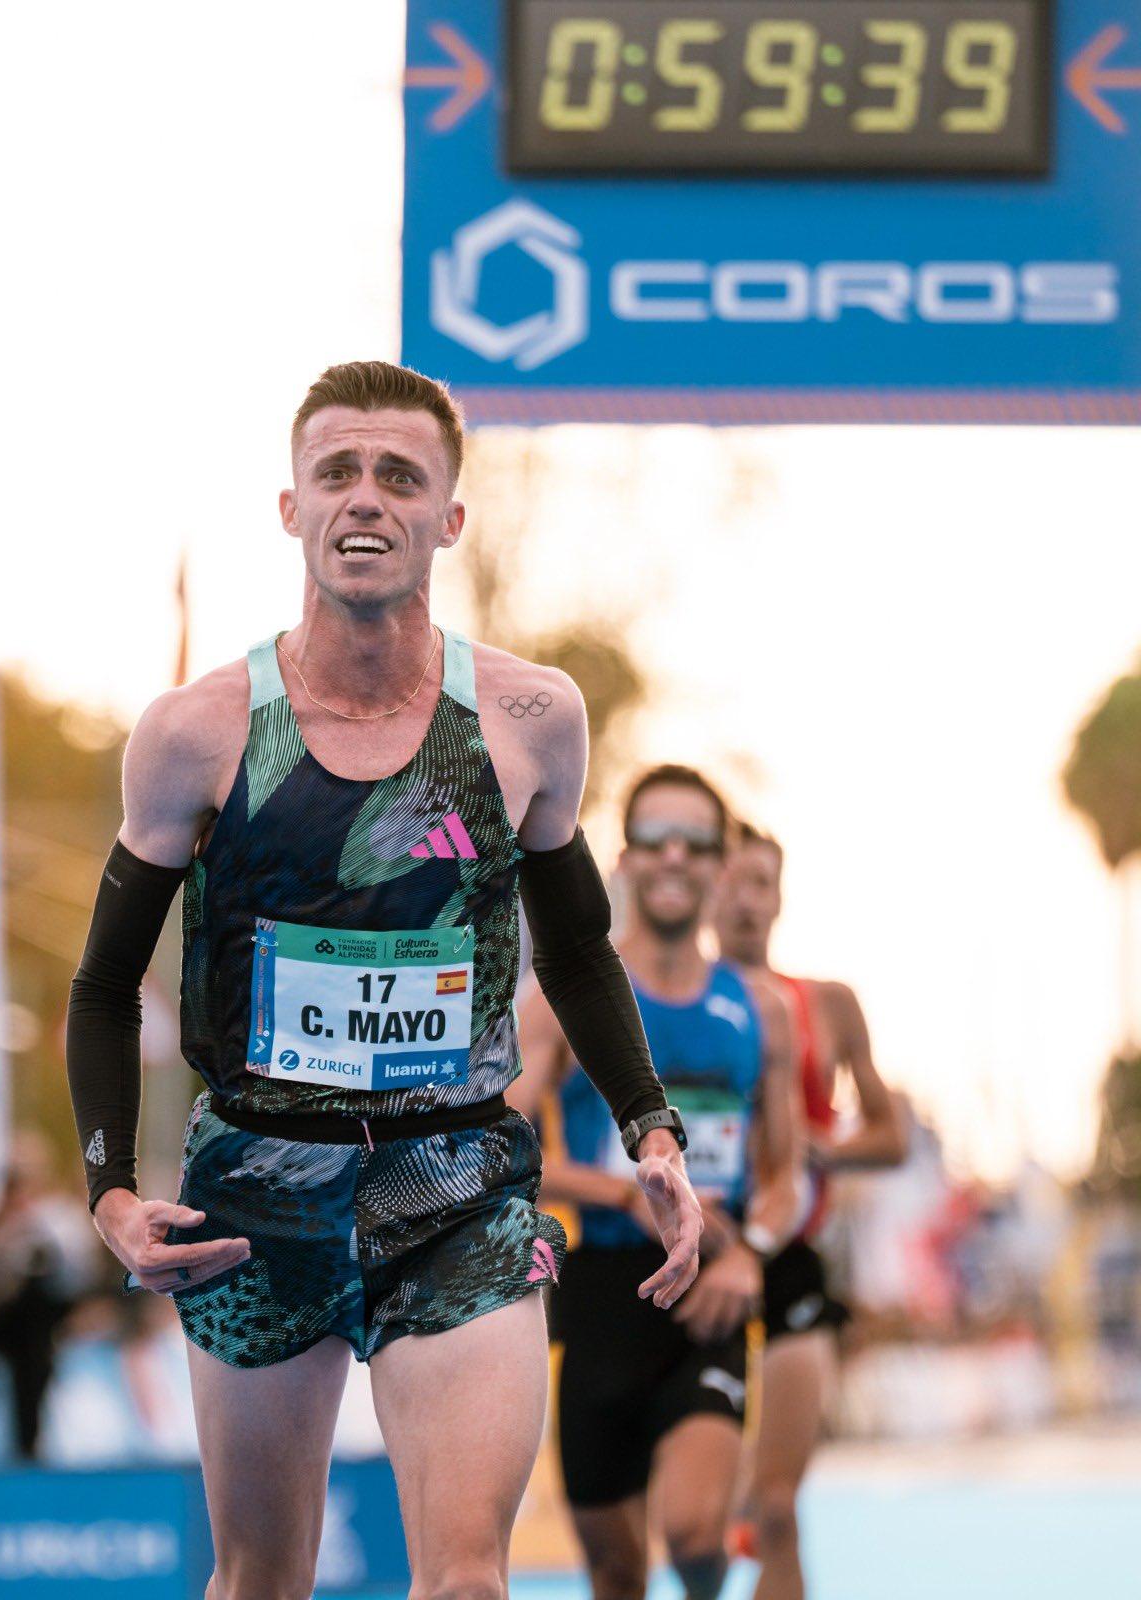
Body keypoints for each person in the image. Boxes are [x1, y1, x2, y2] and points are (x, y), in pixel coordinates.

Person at [64, 361, 703, 1600]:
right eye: (337, 473)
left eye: (400, 476)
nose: (367, 499)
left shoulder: (526, 717)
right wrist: (109, 1195)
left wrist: (651, 1128)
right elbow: (100, 984)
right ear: (292, 508)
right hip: (255, 1191)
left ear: (448, 518)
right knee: (260, 1578)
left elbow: (577, 951)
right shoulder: (195, 733)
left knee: (466, 1580)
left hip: (455, 1179)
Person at [510, 765, 802, 1600]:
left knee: (697, 1536)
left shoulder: (760, 1010)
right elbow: (504, 1151)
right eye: (655, 839)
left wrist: (752, 1257)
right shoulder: (558, 1001)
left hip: (712, 1291)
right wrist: (622, 1191)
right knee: (615, 1571)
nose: (675, 857)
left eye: (697, 843)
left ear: (721, 863)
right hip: (601, 1296)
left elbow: (784, 1177)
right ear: (626, 857)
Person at [713, 828, 907, 1600]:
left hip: (789, 1259)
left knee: (778, 1504)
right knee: (702, 1518)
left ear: (780, 898)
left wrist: (819, 1150)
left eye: (761, 882)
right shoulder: (663, 1001)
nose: (746, 898)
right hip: (691, 1261)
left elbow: (892, 1136)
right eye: (732, 880)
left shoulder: (827, 1004)